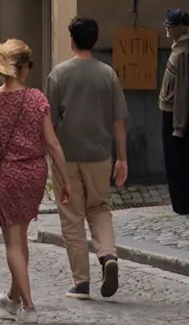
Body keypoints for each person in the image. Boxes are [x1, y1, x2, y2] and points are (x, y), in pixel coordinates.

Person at [0, 39, 70, 321]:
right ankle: (13, 298)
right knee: (21, 236)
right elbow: (52, 143)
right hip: (34, 173)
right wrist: (64, 181)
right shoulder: (38, 99)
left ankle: (28, 306)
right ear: (24, 68)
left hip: (5, 175)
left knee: (12, 242)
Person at [45, 16, 130, 299]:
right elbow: (119, 118)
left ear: (71, 39)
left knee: (71, 216)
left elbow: (50, 122)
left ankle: (81, 282)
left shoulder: (58, 74)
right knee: (99, 208)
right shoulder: (108, 74)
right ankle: (108, 256)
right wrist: (122, 158)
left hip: (66, 155)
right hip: (99, 154)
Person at [159, 8, 189, 215]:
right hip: (170, 110)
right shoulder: (179, 47)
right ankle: (182, 201)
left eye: (170, 24)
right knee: (175, 158)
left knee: (178, 158)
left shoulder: (184, 52)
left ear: (179, 27)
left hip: (174, 114)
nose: (167, 28)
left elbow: (184, 91)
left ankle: (185, 202)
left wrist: (179, 125)